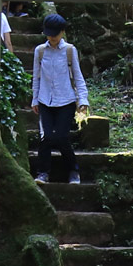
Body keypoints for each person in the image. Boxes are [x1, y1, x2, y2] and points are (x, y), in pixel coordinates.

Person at [30, 13, 86, 182]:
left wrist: (82, 100)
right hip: (45, 100)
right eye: (49, 34)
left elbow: (77, 76)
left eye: (55, 34)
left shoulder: (70, 50)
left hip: (66, 100)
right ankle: (43, 173)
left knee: (61, 136)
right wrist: (35, 99)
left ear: (62, 32)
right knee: (46, 136)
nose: (52, 37)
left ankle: (73, 170)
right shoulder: (39, 51)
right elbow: (36, 77)